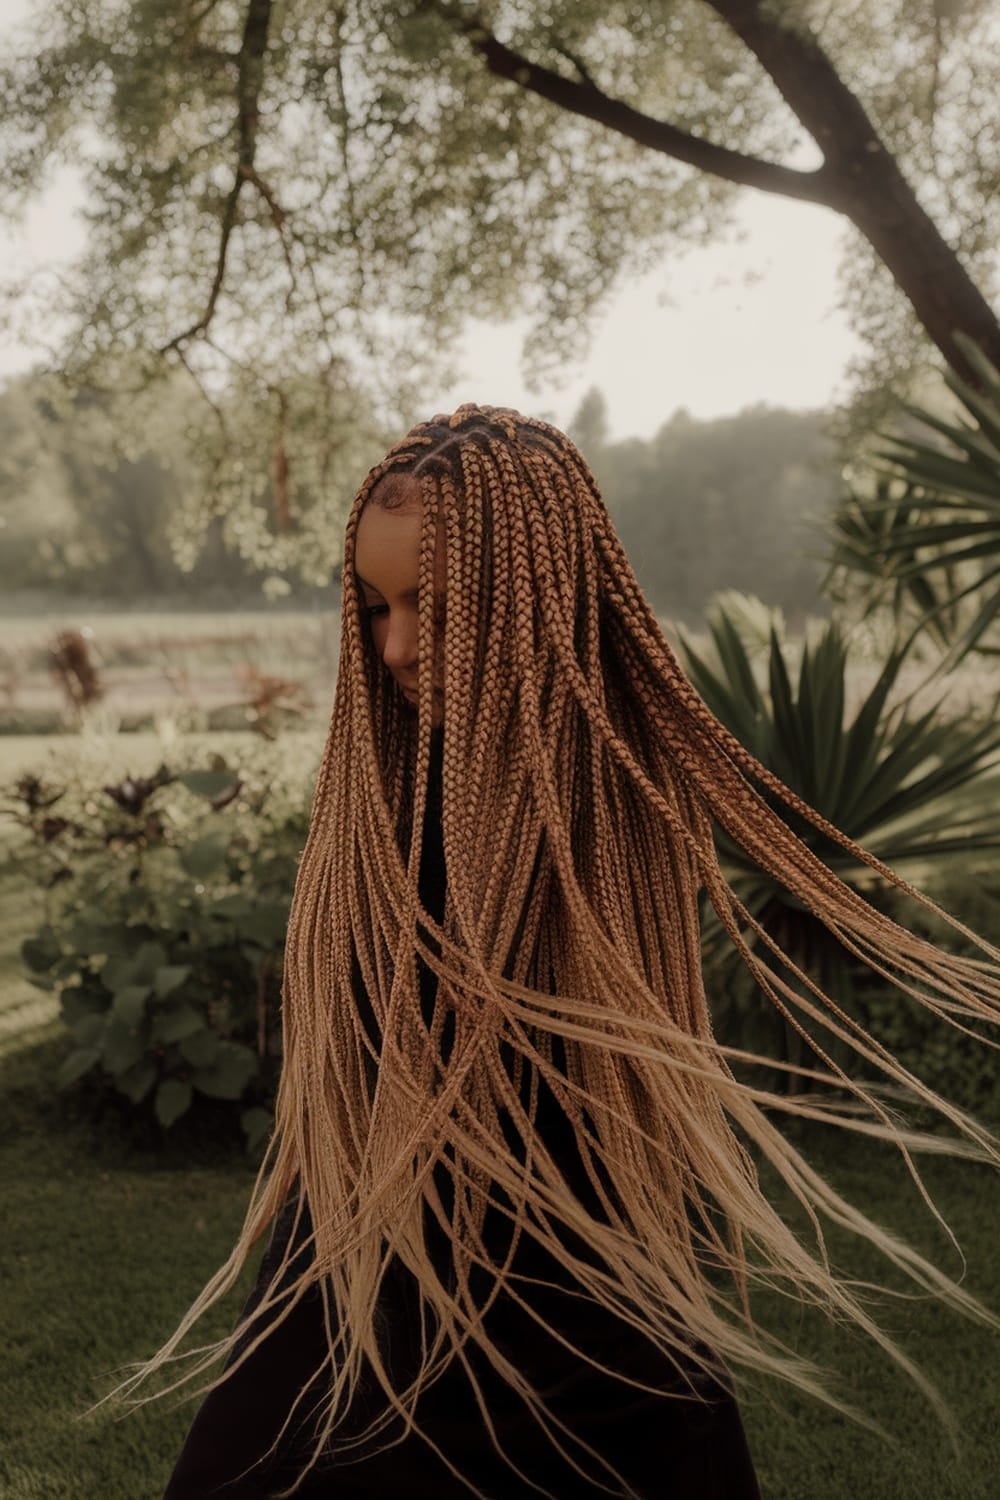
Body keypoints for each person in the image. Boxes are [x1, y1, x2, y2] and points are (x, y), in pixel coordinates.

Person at [126, 404, 999, 1497]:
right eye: (377, 606)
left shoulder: (600, 794)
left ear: (529, 597)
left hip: (575, 1280)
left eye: (431, 605)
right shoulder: (391, 790)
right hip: (367, 1248)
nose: (393, 647)